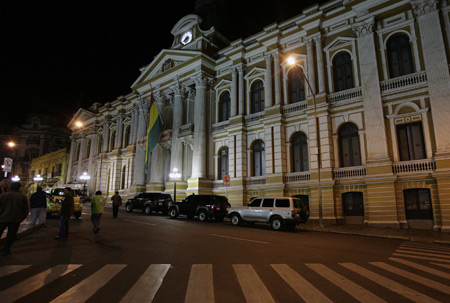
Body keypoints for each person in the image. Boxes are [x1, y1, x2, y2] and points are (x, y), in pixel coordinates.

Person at [0, 182, 29, 255]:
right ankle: (6, 250)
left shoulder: (3, 195)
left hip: (3, 218)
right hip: (15, 219)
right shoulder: (22, 197)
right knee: (11, 235)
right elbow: (25, 209)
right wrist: (22, 218)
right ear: (19, 188)